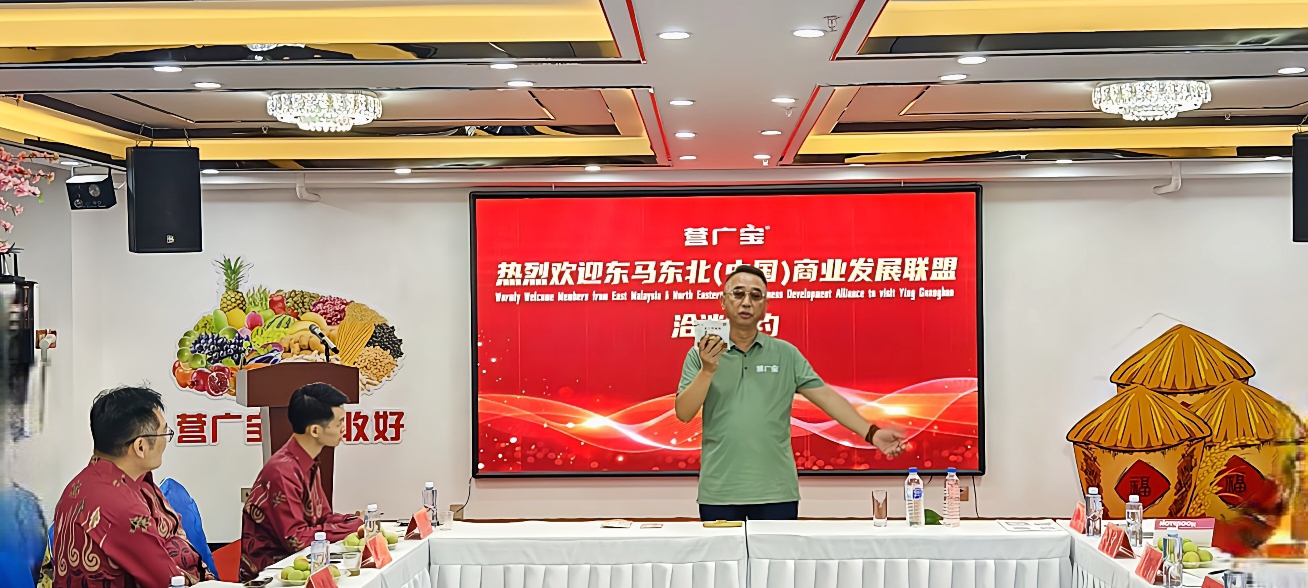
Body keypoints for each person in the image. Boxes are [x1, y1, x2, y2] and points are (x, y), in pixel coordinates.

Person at [676, 265, 907, 521]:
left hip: (777, 492)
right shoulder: (701, 354)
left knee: (777, 550)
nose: (747, 302)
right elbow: (684, 413)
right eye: (738, 293)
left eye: (756, 296)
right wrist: (708, 369)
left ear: (765, 306)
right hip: (719, 492)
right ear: (723, 301)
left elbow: (827, 398)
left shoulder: (786, 354)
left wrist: (872, 433)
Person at [49, 386, 213, 587]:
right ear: (140, 447)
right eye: (164, 433)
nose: (166, 440)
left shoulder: (80, 485)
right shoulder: (120, 505)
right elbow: (168, 581)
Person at [240, 383, 362, 581]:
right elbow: (296, 539)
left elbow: (323, 518)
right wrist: (353, 527)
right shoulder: (283, 471)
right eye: (339, 422)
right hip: (276, 576)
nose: (344, 428)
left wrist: (353, 521)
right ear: (315, 430)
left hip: (303, 566)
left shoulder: (307, 462)